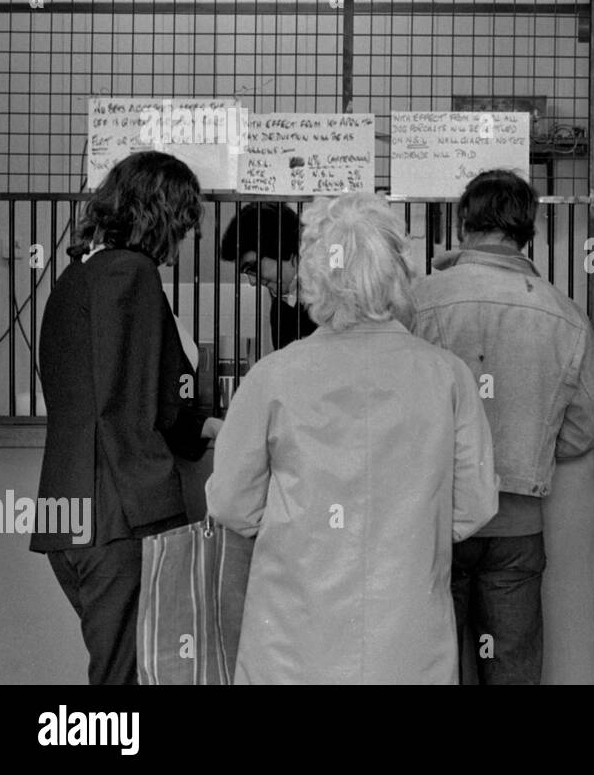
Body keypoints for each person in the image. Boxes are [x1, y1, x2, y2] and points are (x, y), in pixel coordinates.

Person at [206, 193, 498, 684]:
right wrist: (404, 533)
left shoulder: (272, 377)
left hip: (294, 639)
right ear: (398, 274)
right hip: (409, 636)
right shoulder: (448, 377)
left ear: (314, 274)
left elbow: (232, 504)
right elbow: (475, 504)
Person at [31, 151, 222, 685]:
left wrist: (201, 425)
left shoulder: (76, 276)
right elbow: (146, 408)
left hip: (65, 515)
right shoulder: (133, 274)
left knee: (113, 674)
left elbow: (101, 397)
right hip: (119, 515)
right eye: (182, 226)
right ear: (162, 214)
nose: (180, 243)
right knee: (128, 679)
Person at [410, 169, 594, 685]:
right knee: (512, 668)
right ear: (530, 229)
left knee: (435, 665)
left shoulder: (416, 302)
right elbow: (584, 429)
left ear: (463, 222)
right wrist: (531, 445)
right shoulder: (563, 312)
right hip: (518, 522)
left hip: (434, 517)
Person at [220, 202, 316, 350]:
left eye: (253, 267)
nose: (253, 282)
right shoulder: (281, 308)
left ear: (281, 248)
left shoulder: (335, 294)